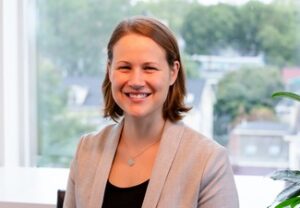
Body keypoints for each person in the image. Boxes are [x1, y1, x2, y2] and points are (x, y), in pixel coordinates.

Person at [63, 16, 239, 208]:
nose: (136, 81)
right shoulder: (86, 150)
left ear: (173, 73)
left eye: (149, 68)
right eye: (125, 67)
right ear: (109, 70)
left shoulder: (209, 161)